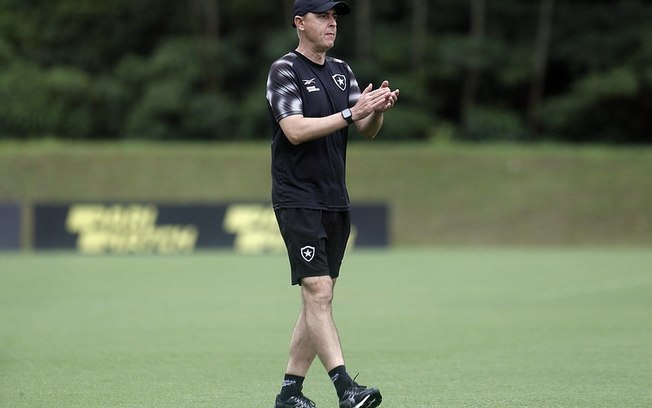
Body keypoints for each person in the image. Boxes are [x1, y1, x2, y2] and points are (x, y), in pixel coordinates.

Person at [266, 0, 399, 407]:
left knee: (318, 298)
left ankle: (290, 393)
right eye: (323, 16)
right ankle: (346, 389)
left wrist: (374, 111)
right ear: (299, 22)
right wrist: (350, 112)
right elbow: (294, 130)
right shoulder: (284, 70)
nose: (332, 23)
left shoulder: (342, 72)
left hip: (335, 199)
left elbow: (363, 127)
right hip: (298, 196)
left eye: (335, 17)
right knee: (318, 291)